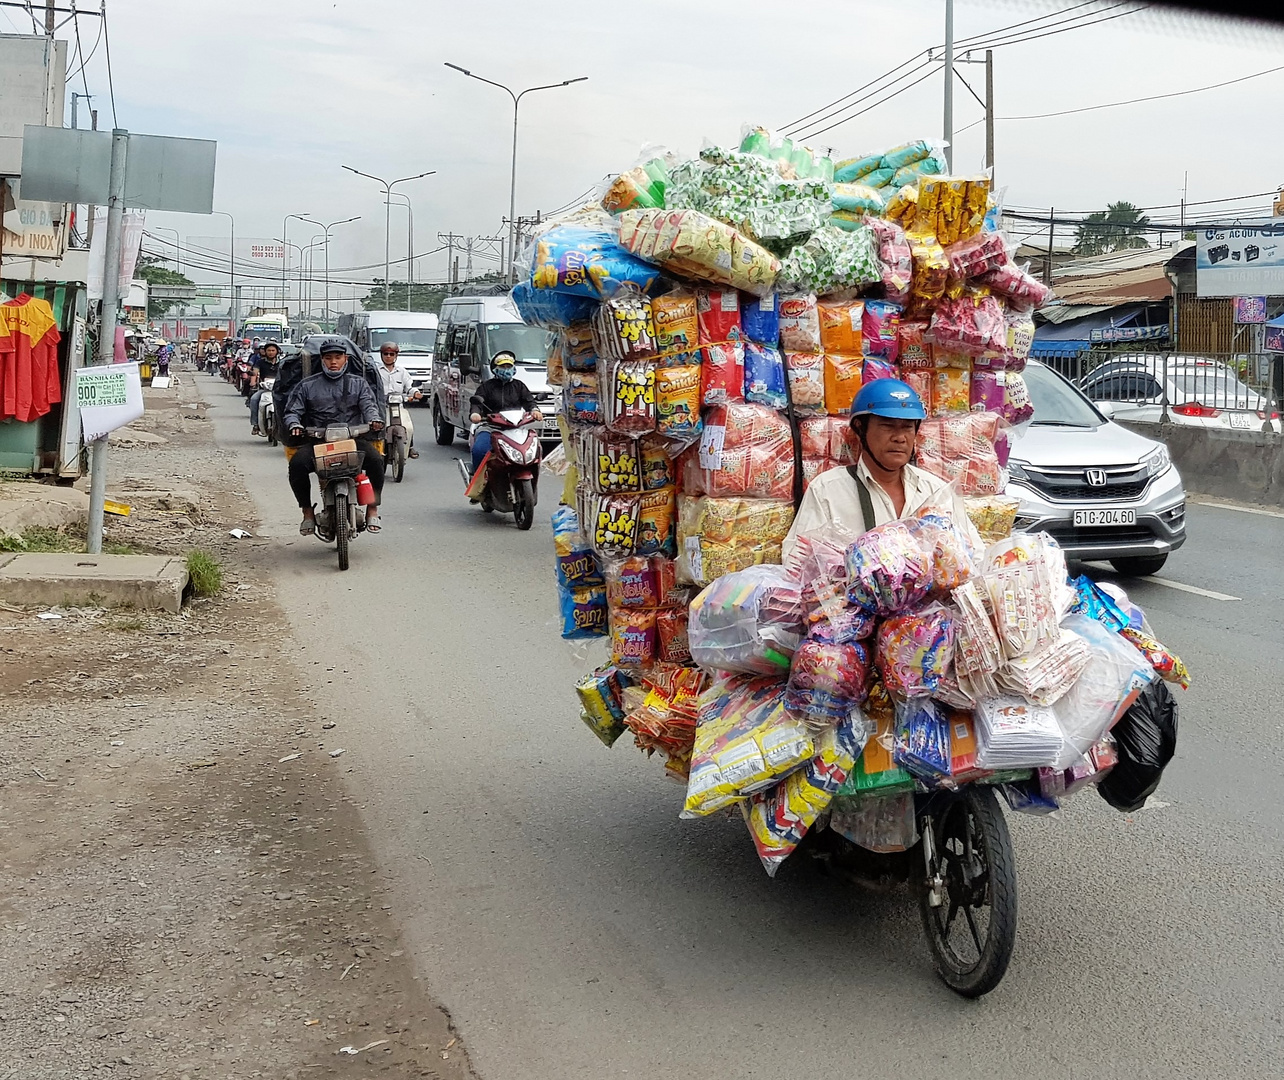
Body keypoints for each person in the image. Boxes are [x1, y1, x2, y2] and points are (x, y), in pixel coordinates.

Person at [782, 378, 980, 560]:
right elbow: (797, 562)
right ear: (860, 428)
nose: (900, 437)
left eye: (908, 427)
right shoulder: (828, 491)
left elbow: (974, 556)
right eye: (888, 426)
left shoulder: (936, 491)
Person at [283, 340, 386, 534]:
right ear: (322, 360)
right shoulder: (307, 386)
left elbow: (369, 407)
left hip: (352, 441)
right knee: (297, 465)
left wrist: (374, 420)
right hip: (319, 442)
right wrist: (294, 424)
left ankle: (373, 509)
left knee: (375, 461)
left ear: (345, 359)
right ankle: (307, 513)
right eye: (328, 358)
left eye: (337, 358)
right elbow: (292, 412)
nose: (333, 362)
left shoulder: (359, 384)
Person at [467, 351, 541, 476]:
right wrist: (475, 414)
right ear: (495, 369)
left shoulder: (519, 386)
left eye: (509, 366)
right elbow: (477, 403)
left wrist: (535, 410)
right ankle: (478, 479)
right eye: (502, 367)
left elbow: (529, 401)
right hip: (490, 427)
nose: (506, 370)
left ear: (514, 368)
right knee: (479, 450)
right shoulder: (486, 386)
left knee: (535, 448)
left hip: (516, 428)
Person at [375, 342, 422, 457]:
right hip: (382, 407)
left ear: (396, 355)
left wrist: (415, 393)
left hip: (398, 407)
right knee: (378, 428)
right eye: (386, 354)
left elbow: (409, 387)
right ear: (381, 355)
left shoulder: (402, 372)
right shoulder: (376, 371)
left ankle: (409, 447)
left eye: (391, 354)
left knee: (408, 427)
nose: (388, 356)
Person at [247, 340, 282, 435]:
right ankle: (255, 425)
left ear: (277, 351)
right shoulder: (260, 362)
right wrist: (253, 381)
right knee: (254, 400)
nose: (271, 352)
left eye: (273, 350)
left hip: (279, 389)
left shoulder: (282, 363)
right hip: (264, 389)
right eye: (269, 350)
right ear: (265, 352)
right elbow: (255, 372)